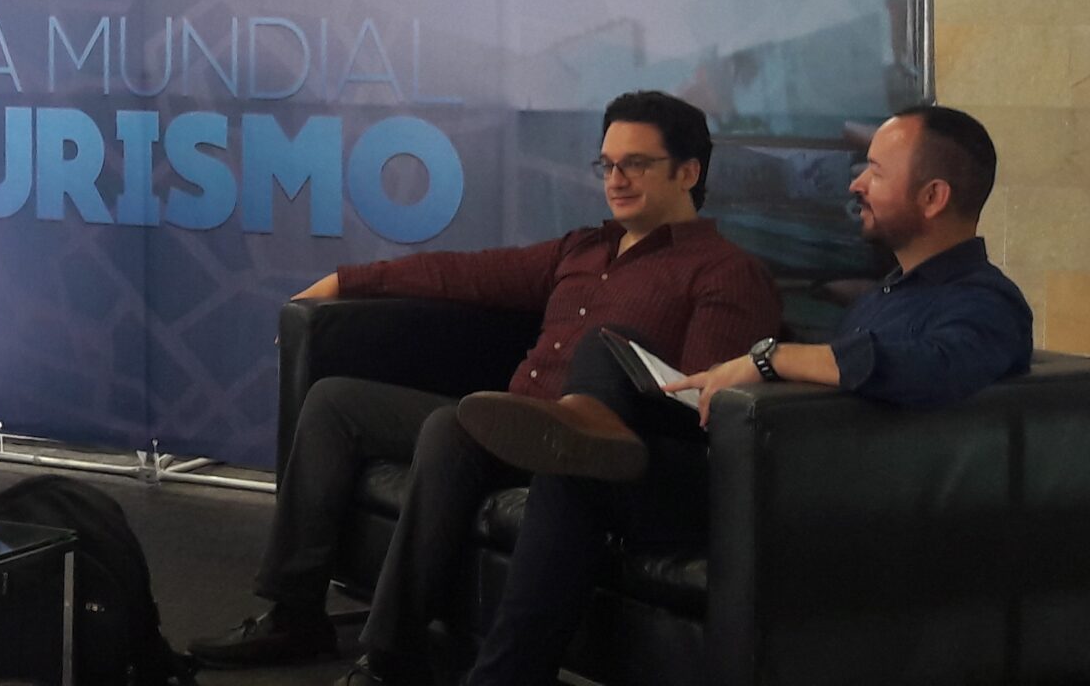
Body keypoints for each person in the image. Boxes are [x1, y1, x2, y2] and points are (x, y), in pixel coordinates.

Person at [189, 91, 779, 685]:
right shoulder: (582, 247)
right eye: (607, 164)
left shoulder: (726, 271)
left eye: (636, 164)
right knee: (335, 402)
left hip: (596, 458)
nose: (616, 180)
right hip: (512, 425)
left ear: (688, 172)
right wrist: (345, 280)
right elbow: (463, 273)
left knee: (453, 425)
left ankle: (391, 655)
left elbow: (702, 404)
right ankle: (295, 615)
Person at [452, 104, 1032, 686]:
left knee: (595, 415)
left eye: (876, 172)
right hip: (768, 481)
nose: (856, 183)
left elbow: (935, 367)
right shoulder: (886, 296)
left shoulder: (985, 302)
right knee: (579, 456)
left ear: (933, 197)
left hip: (813, 505)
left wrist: (771, 358)